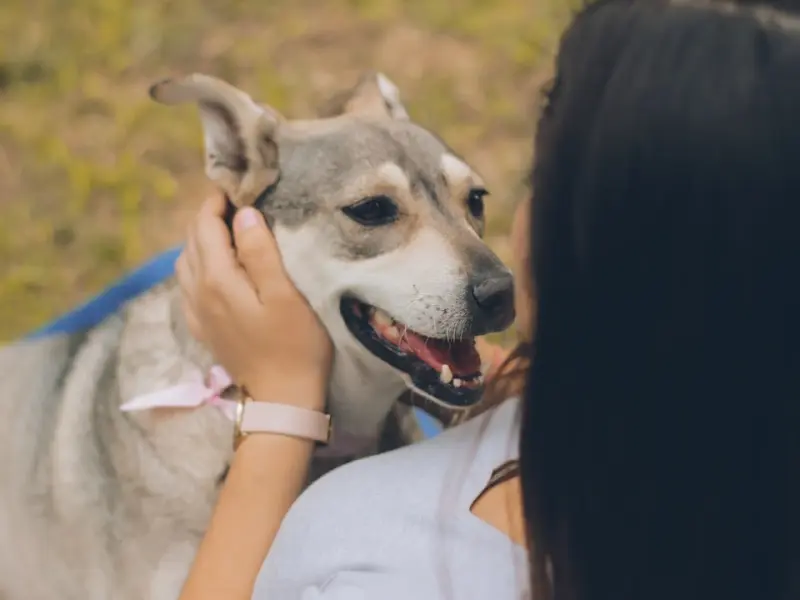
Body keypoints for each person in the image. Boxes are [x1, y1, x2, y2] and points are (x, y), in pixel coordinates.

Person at [176, 0, 800, 599]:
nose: (489, 266)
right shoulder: (735, 440)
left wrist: (281, 408)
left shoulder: (389, 576)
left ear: (611, 252)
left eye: (543, 177)